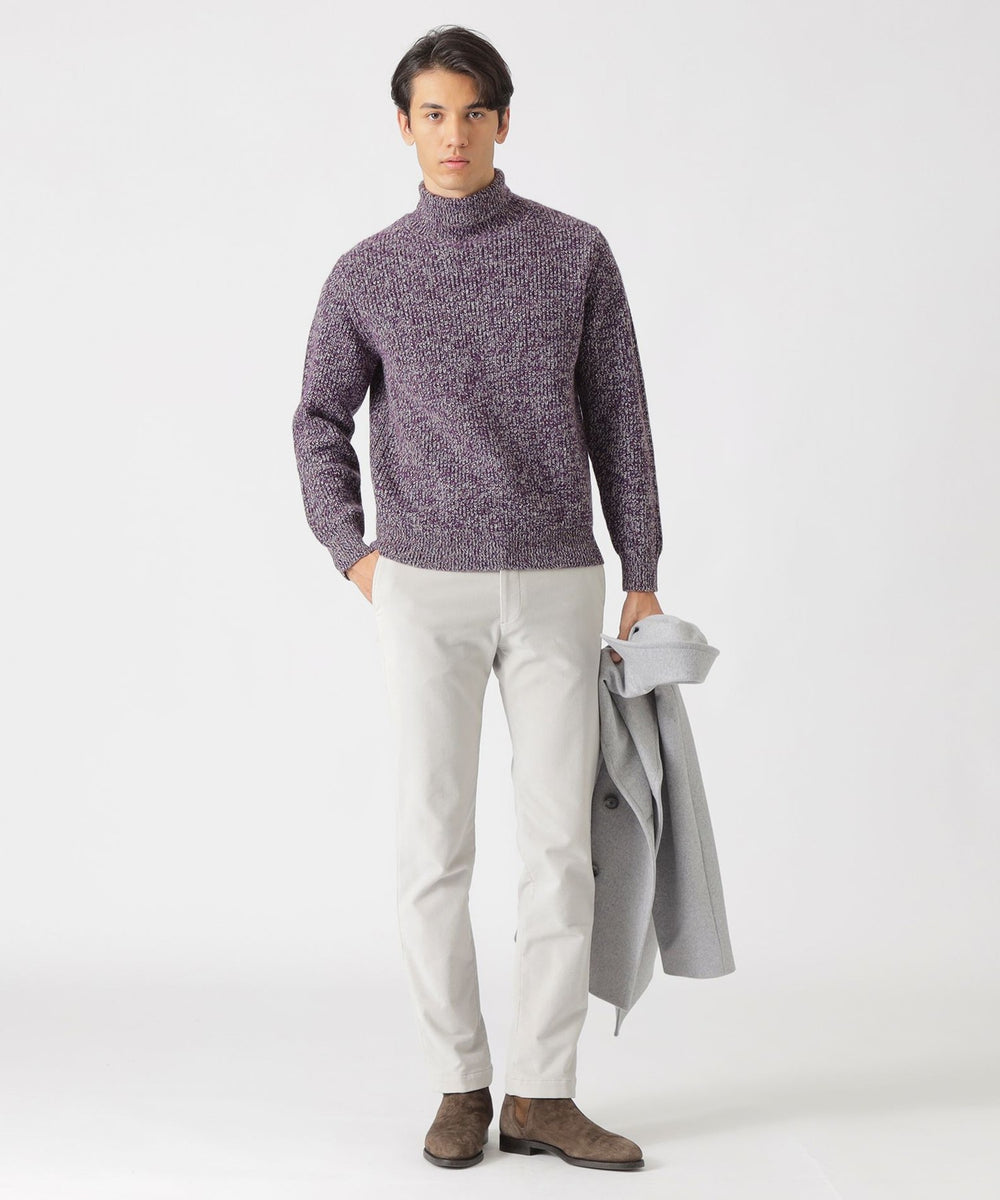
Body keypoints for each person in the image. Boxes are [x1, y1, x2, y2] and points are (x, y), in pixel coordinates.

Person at [291, 24, 662, 1172]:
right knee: (431, 847)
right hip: (424, 590)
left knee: (561, 848)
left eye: (472, 112)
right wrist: (356, 555)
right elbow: (318, 420)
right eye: (432, 114)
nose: (453, 134)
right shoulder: (366, 273)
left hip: (557, 582)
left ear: (504, 120)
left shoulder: (574, 253)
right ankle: (460, 1081)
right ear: (403, 127)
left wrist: (642, 572)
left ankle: (541, 1094)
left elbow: (620, 417)